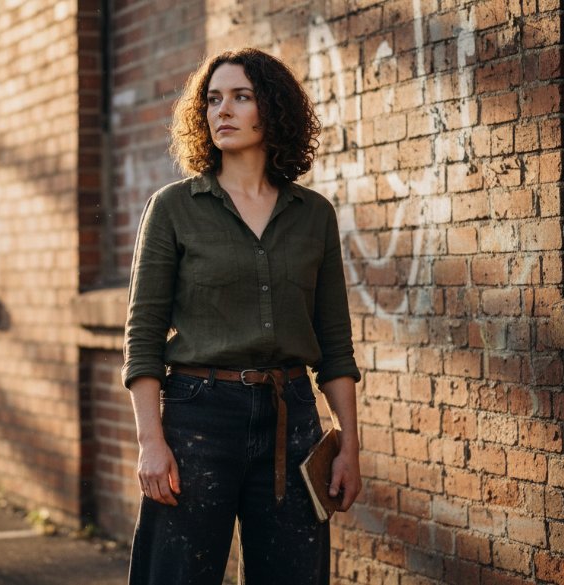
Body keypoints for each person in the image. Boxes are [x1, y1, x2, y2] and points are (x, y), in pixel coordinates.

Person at [122, 47, 362, 585]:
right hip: (197, 419)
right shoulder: (173, 207)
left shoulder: (313, 215)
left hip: (292, 418)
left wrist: (348, 443)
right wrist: (151, 442)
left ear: (271, 109)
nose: (221, 111)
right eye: (212, 99)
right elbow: (142, 336)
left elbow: (336, 344)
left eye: (240, 96)